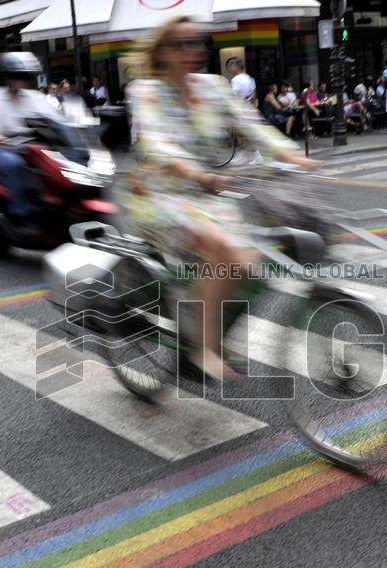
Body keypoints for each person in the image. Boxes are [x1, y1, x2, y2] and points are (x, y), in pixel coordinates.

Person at [123, 16, 316, 379]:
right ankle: (202, 350)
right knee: (219, 248)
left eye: (197, 42)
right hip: (159, 197)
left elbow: (249, 124)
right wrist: (191, 171)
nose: (193, 51)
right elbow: (155, 141)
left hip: (205, 197)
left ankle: (208, 329)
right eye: (182, 44)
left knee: (248, 263)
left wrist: (290, 154)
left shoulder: (212, 86)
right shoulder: (145, 91)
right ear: (163, 52)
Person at [0, 51, 65, 223]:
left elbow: (57, 119)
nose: (20, 80)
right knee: (13, 163)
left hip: (33, 147)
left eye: (23, 76)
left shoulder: (36, 97)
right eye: (16, 76)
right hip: (4, 149)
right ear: (7, 77)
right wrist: (3, 139)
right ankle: (20, 210)